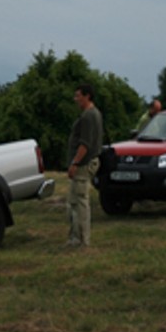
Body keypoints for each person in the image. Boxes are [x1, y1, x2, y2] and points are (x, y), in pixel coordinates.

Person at [66, 83, 104, 247]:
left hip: (84, 164)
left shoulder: (89, 116)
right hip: (86, 162)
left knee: (81, 201)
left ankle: (82, 239)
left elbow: (85, 144)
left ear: (87, 96)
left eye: (78, 96)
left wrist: (75, 163)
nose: (76, 99)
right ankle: (75, 237)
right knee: (74, 200)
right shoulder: (93, 114)